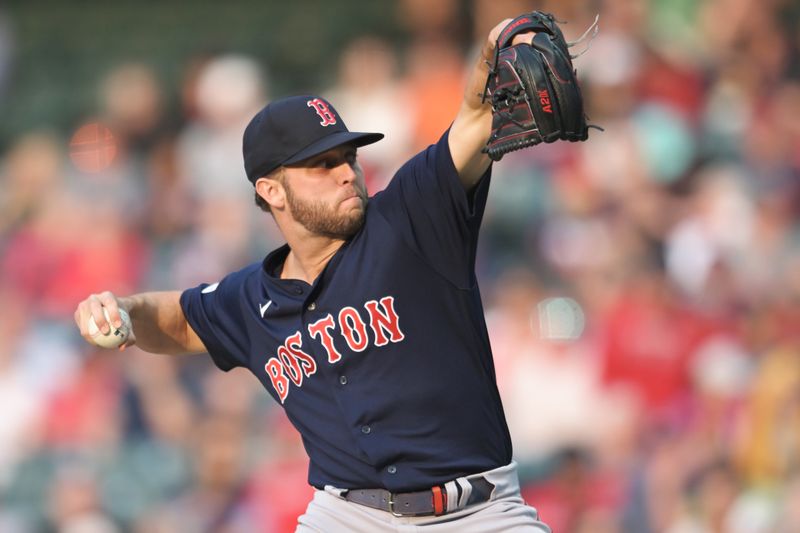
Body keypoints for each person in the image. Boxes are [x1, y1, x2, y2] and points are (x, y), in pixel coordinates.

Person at [74, 18, 554, 533]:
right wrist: (120, 309)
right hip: (348, 517)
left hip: (478, 513)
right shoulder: (249, 300)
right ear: (272, 191)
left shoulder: (411, 219)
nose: (347, 171)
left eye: (348, 156)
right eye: (322, 164)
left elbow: (477, 118)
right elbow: (176, 319)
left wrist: (485, 60)